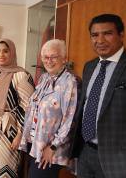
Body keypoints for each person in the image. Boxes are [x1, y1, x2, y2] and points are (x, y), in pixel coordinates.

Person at [71, 13, 126, 178]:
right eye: (94, 35)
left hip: (121, 163)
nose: (100, 40)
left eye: (107, 33)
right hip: (85, 153)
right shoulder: (89, 67)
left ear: (121, 35)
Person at [19, 39, 78, 178]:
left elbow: (70, 121)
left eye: (54, 57)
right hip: (34, 145)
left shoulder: (70, 82)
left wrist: (53, 147)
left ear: (64, 59)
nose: (49, 61)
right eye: (45, 57)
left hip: (50, 151)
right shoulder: (44, 78)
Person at [0, 38, 35, 178]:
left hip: (9, 130)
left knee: (5, 168)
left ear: (12, 53)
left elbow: (28, 107)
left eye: (5, 51)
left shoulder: (22, 75)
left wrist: (20, 134)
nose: (1, 55)